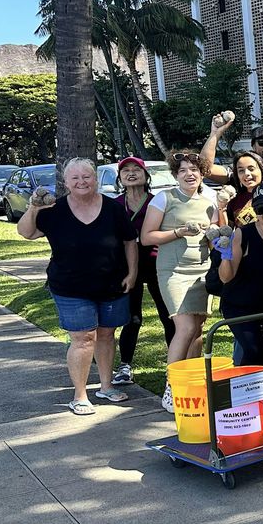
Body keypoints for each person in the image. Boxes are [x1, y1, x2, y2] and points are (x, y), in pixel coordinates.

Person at [17, 158, 138, 415]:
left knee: (106, 334)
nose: (81, 182)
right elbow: (27, 232)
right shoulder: (54, 210)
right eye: (75, 178)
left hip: (112, 284)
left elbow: (130, 241)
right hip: (70, 287)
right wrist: (34, 208)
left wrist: (132, 273)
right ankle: (80, 396)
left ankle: (106, 386)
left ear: (96, 179)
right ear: (65, 182)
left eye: (87, 176)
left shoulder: (113, 208)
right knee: (83, 339)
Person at [141, 151, 222, 413]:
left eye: (194, 170)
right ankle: (172, 386)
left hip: (202, 271)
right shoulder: (164, 198)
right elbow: (147, 237)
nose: (189, 174)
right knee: (185, 327)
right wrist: (179, 232)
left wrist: (216, 231)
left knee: (197, 329)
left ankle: (192, 385)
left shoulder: (210, 201)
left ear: (202, 174)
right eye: (183, 170)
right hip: (173, 271)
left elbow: (216, 239)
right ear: (175, 174)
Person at [111, 156, 174, 387]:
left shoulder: (158, 202)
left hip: (158, 263)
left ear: (146, 176)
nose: (131, 173)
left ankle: (174, 366)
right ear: (120, 178)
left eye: (136, 169)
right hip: (129, 267)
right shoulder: (115, 205)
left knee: (168, 316)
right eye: (125, 170)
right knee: (132, 318)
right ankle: (125, 366)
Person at [215, 183, 263, 367]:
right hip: (239, 306)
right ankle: (242, 384)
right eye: (262, 208)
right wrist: (225, 257)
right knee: (253, 350)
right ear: (255, 211)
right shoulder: (243, 234)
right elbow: (226, 278)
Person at [219, 150, 263, 227]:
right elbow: (226, 230)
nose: (246, 173)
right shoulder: (233, 201)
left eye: (251, 169)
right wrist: (221, 207)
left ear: (262, 170)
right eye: (241, 170)